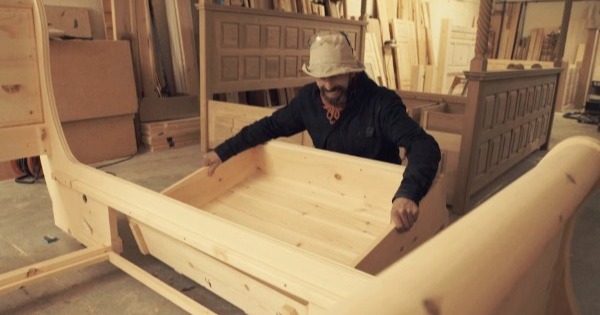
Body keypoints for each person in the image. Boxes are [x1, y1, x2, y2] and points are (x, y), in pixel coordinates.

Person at [203, 32, 441, 232]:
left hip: (379, 203)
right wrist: (223, 152)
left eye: (335, 75)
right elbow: (269, 126)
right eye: (321, 77)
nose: (328, 86)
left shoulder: (381, 103)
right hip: (330, 195)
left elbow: (424, 145)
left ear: (352, 72)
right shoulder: (308, 99)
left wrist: (407, 194)